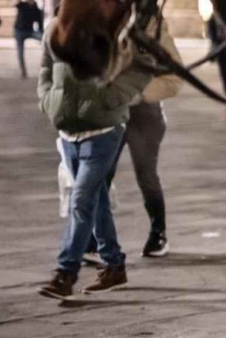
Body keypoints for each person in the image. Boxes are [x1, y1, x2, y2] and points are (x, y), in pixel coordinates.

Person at [37, 23, 155, 298]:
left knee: (81, 201)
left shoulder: (116, 28)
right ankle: (114, 265)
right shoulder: (55, 29)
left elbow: (146, 63)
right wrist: (46, 98)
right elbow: (45, 67)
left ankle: (65, 273)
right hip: (68, 135)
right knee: (98, 200)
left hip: (103, 133)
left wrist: (110, 98)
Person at [124, 15, 182, 258]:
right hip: (109, 111)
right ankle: (94, 239)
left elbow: (173, 79)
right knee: (98, 177)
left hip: (143, 114)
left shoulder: (153, 26)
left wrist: (136, 95)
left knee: (146, 175)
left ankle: (158, 233)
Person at [13, 0, 44, 78]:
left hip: (30, 31)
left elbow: (39, 21)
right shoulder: (22, 5)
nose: (29, 0)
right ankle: (23, 71)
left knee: (44, 39)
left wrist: (42, 32)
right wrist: (19, 0)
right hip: (19, 31)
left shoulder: (35, 9)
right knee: (20, 52)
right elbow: (17, 5)